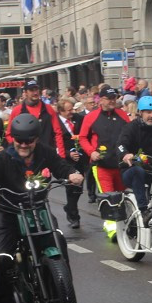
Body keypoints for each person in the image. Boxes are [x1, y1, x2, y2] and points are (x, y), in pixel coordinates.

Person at [0, 114, 84, 303]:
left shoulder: (45, 152)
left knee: (59, 239)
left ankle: (63, 291)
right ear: (13, 138)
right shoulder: (3, 158)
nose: (24, 145)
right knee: (1, 261)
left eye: (29, 140)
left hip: (37, 210)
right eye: (19, 140)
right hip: (7, 212)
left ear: (35, 139)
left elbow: (61, 166)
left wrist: (72, 173)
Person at [79, 85, 131, 239]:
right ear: (100, 100)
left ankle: (124, 224)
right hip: (102, 165)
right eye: (109, 98)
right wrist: (91, 152)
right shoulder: (91, 117)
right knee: (109, 197)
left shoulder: (122, 115)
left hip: (120, 165)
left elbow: (129, 135)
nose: (112, 101)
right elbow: (82, 137)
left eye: (114, 98)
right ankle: (112, 229)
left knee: (122, 197)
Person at [6, 80, 66, 156]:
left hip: (46, 154)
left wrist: (61, 155)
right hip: (26, 155)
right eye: (31, 90)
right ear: (25, 92)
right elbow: (9, 134)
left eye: (36, 89)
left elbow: (58, 133)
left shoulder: (49, 109)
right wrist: (19, 149)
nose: (35, 93)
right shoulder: (17, 110)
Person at [55, 97, 84, 228]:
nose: (71, 112)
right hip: (65, 160)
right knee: (71, 187)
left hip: (80, 158)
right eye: (68, 110)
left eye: (72, 109)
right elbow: (53, 142)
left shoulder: (78, 118)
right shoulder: (55, 122)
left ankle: (69, 207)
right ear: (61, 111)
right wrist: (68, 153)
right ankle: (74, 216)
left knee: (79, 187)